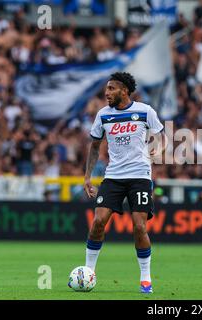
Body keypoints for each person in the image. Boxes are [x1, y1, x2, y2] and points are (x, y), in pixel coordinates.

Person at [83, 72, 167, 294]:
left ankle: (146, 278)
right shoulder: (103, 115)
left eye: (111, 88)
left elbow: (161, 137)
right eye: (107, 89)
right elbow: (94, 146)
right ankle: (89, 272)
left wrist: (153, 153)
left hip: (139, 176)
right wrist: (87, 177)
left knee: (139, 226)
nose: (107, 92)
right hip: (113, 176)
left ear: (125, 91)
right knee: (98, 222)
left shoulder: (145, 111)